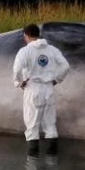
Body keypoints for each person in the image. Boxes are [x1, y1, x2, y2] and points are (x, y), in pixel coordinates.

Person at [12, 23, 70, 156]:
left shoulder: (25, 51)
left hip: (32, 88)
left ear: (26, 35)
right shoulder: (52, 50)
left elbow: (16, 70)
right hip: (48, 88)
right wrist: (57, 79)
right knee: (50, 125)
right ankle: (52, 162)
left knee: (32, 126)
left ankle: (33, 166)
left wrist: (19, 83)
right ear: (38, 34)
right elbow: (65, 66)